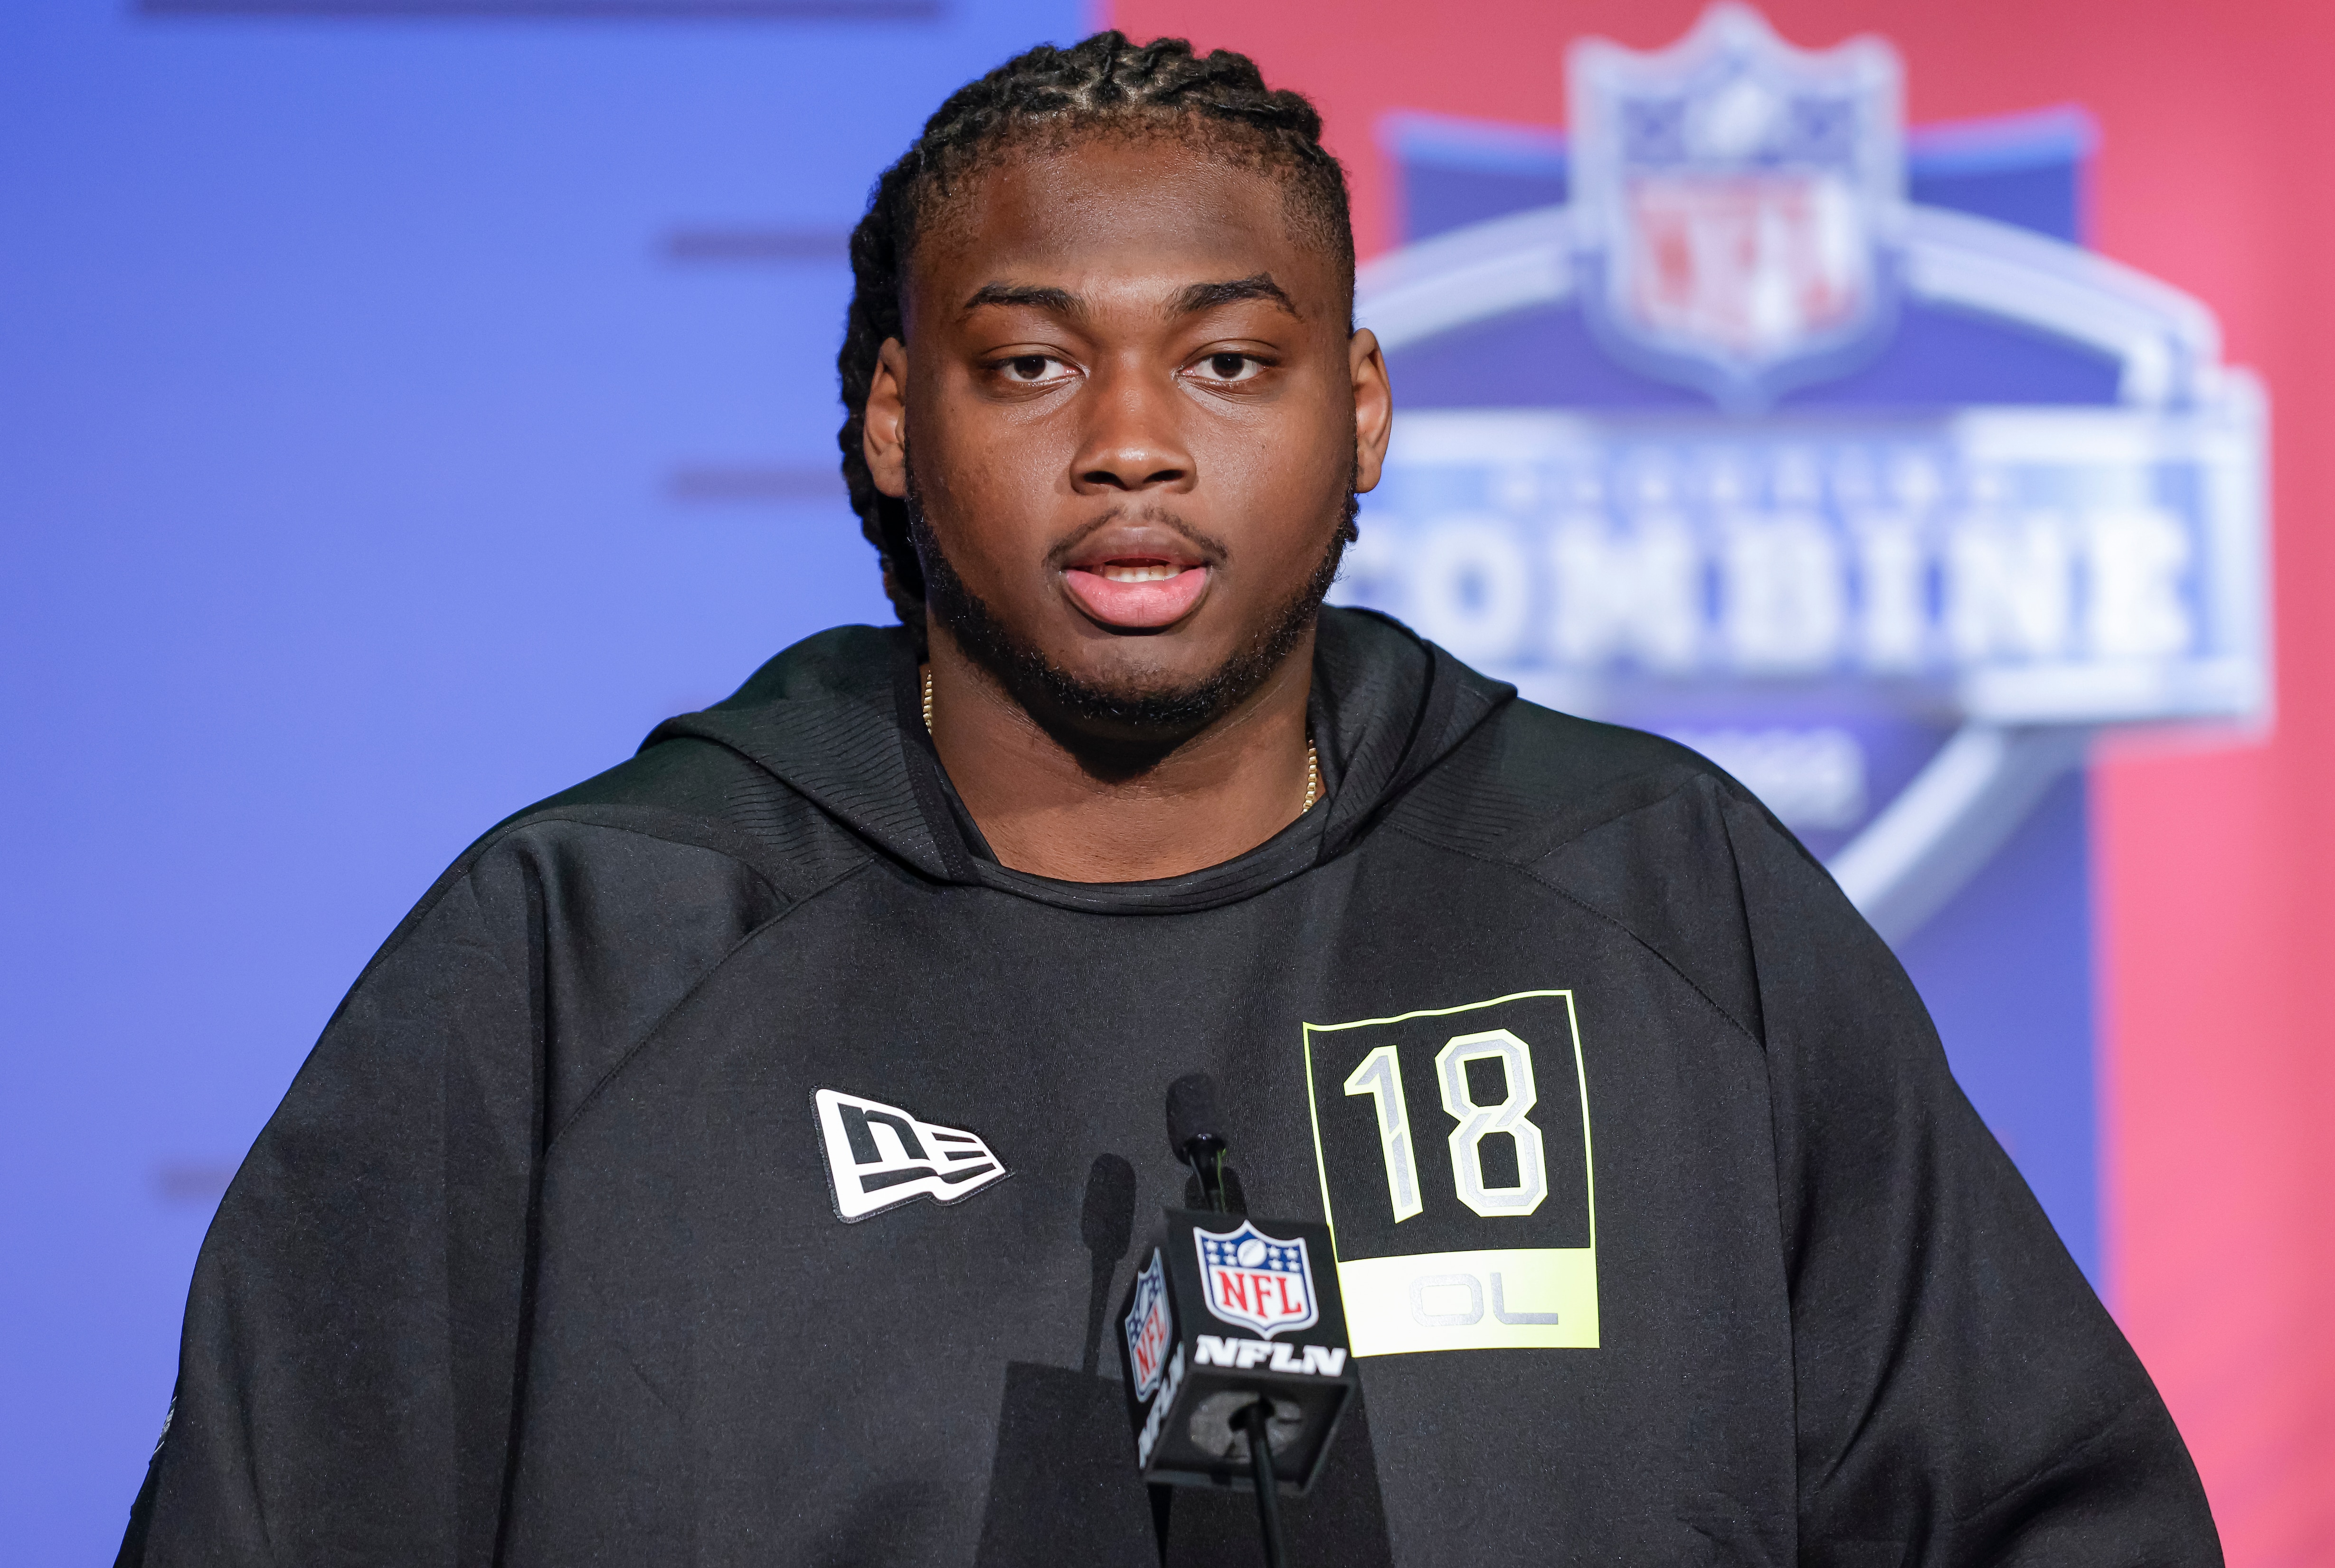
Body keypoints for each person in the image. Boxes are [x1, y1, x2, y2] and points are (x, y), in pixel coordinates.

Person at [120, 33, 2221, 1568]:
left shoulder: (1663, 902)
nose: (1131, 441)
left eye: (1226, 362)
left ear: (1362, 407)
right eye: (1030, 363)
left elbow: (2054, 1521)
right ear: (885, 417)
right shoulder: (586, 951)